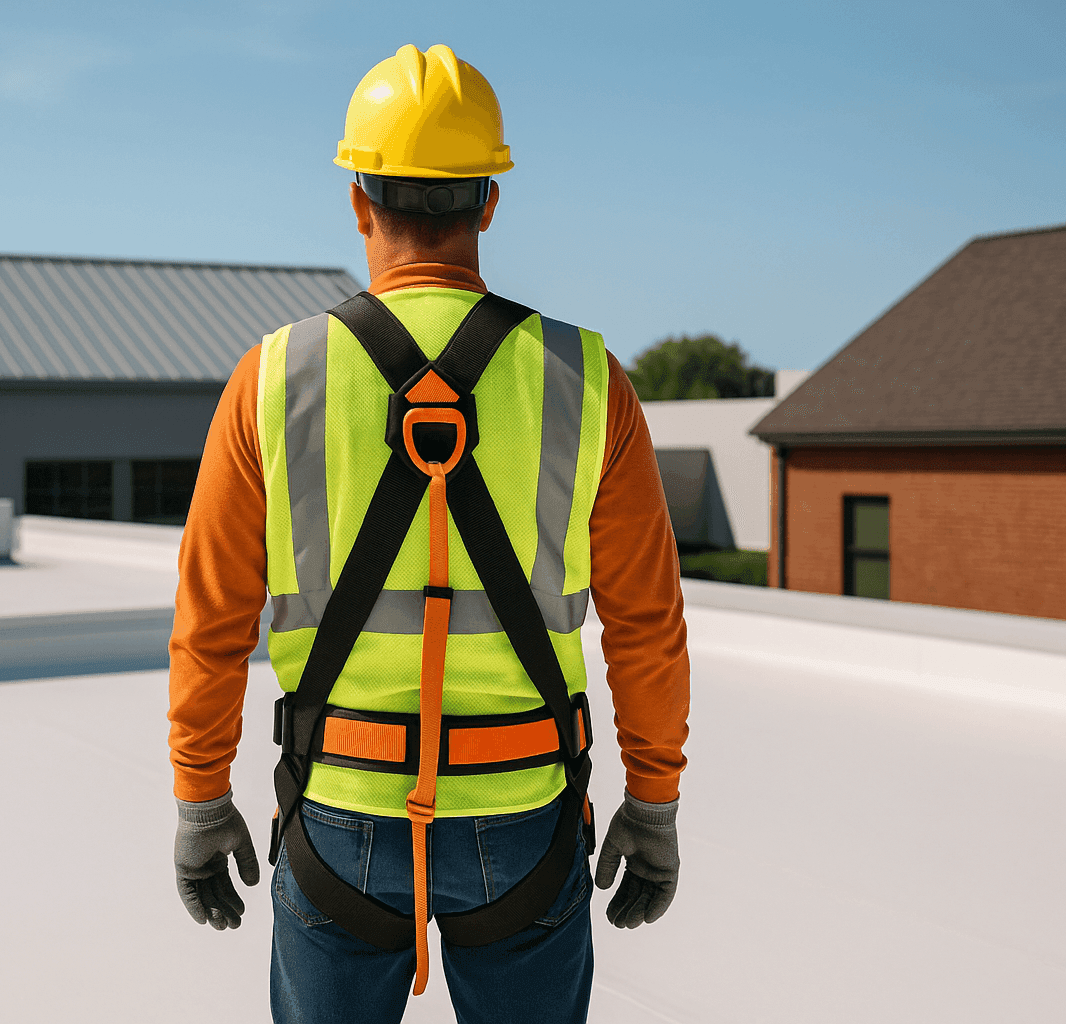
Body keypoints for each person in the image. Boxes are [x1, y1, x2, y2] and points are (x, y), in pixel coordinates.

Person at [167, 43, 690, 1024]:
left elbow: (210, 622)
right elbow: (648, 623)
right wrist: (652, 802)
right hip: (525, 814)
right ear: (490, 200)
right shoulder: (588, 378)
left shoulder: (272, 379)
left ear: (358, 198)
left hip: (340, 814)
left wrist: (202, 799)